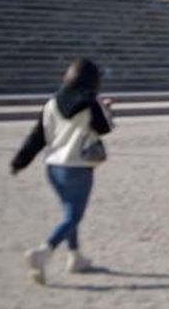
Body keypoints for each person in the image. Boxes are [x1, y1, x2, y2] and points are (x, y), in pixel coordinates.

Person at [10, 58, 115, 284]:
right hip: (77, 166)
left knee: (70, 214)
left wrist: (20, 161)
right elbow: (104, 128)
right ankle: (42, 253)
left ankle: (75, 257)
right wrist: (105, 109)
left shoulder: (51, 103)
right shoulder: (90, 102)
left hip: (53, 167)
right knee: (73, 216)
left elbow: (37, 137)